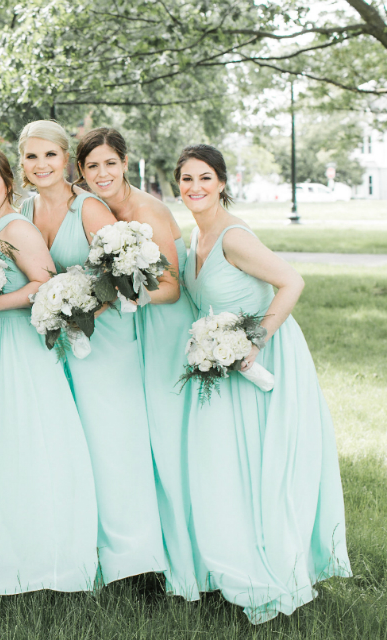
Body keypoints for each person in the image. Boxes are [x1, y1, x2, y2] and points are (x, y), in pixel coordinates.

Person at [179, 144, 351, 623]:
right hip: (221, 363)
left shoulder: (234, 237)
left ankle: (270, 563)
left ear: (222, 184)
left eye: (205, 179)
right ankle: (229, 556)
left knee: (260, 462)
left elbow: (292, 281)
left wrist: (253, 340)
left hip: (259, 358)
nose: (195, 188)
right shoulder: (194, 239)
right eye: (187, 179)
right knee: (228, 463)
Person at [0, 149, 99, 595]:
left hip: (17, 347)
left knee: (23, 441)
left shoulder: (17, 228)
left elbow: (44, 283)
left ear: (9, 185)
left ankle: (42, 557)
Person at [18, 120, 166, 585]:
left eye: (50, 155)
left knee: (113, 445)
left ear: (67, 161)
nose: (41, 165)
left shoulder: (91, 210)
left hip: (106, 343)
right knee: (73, 449)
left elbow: (127, 277)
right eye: (31, 156)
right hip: (58, 344)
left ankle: (135, 562)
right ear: (22, 163)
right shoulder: (24, 207)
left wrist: (84, 307)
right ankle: (84, 549)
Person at [76, 127, 200, 599]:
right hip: (129, 333)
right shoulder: (97, 209)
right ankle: (143, 550)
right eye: (92, 167)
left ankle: (179, 557)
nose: (102, 173)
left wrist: (126, 295)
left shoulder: (149, 209)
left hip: (163, 326)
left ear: (125, 163)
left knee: (167, 434)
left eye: (110, 163)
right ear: (82, 173)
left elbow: (169, 288)